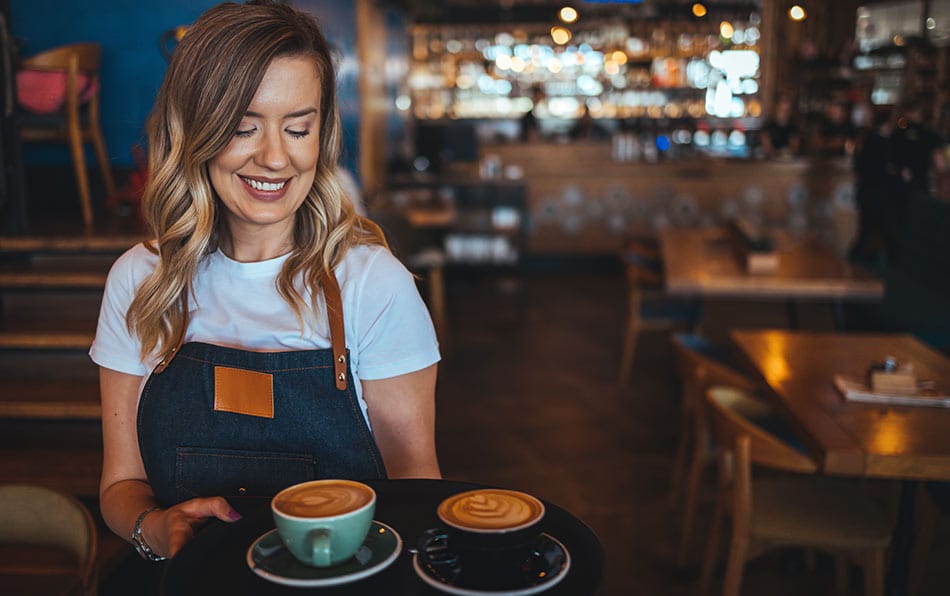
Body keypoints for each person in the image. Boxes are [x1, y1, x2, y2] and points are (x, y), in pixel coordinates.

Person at [90, 0, 441, 562]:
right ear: (196, 130)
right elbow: (119, 487)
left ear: (321, 136)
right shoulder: (142, 280)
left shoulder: (373, 285)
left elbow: (416, 493)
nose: (275, 157)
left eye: (298, 128)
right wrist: (151, 529)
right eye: (243, 127)